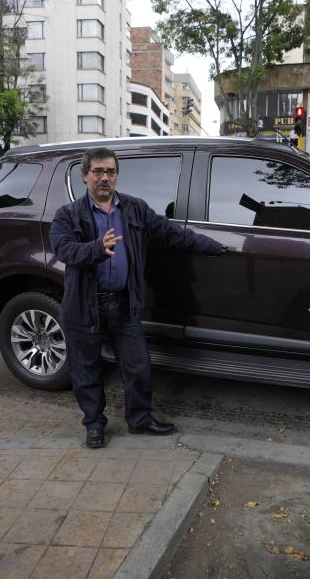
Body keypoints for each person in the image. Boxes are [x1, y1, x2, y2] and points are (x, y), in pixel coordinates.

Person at [49, 148, 227, 449]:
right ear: (85, 176)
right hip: (85, 307)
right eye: (98, 172)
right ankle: (94, 425)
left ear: (117, 176)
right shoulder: (67, 215)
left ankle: (140, 419)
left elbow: (169, 233)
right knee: (86, 372)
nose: (105, 178)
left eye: (110, 172)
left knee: (138, 367)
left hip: (123, 305)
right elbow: (64, 250)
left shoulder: (134, 209)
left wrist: (211, 245)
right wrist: (96, 248)